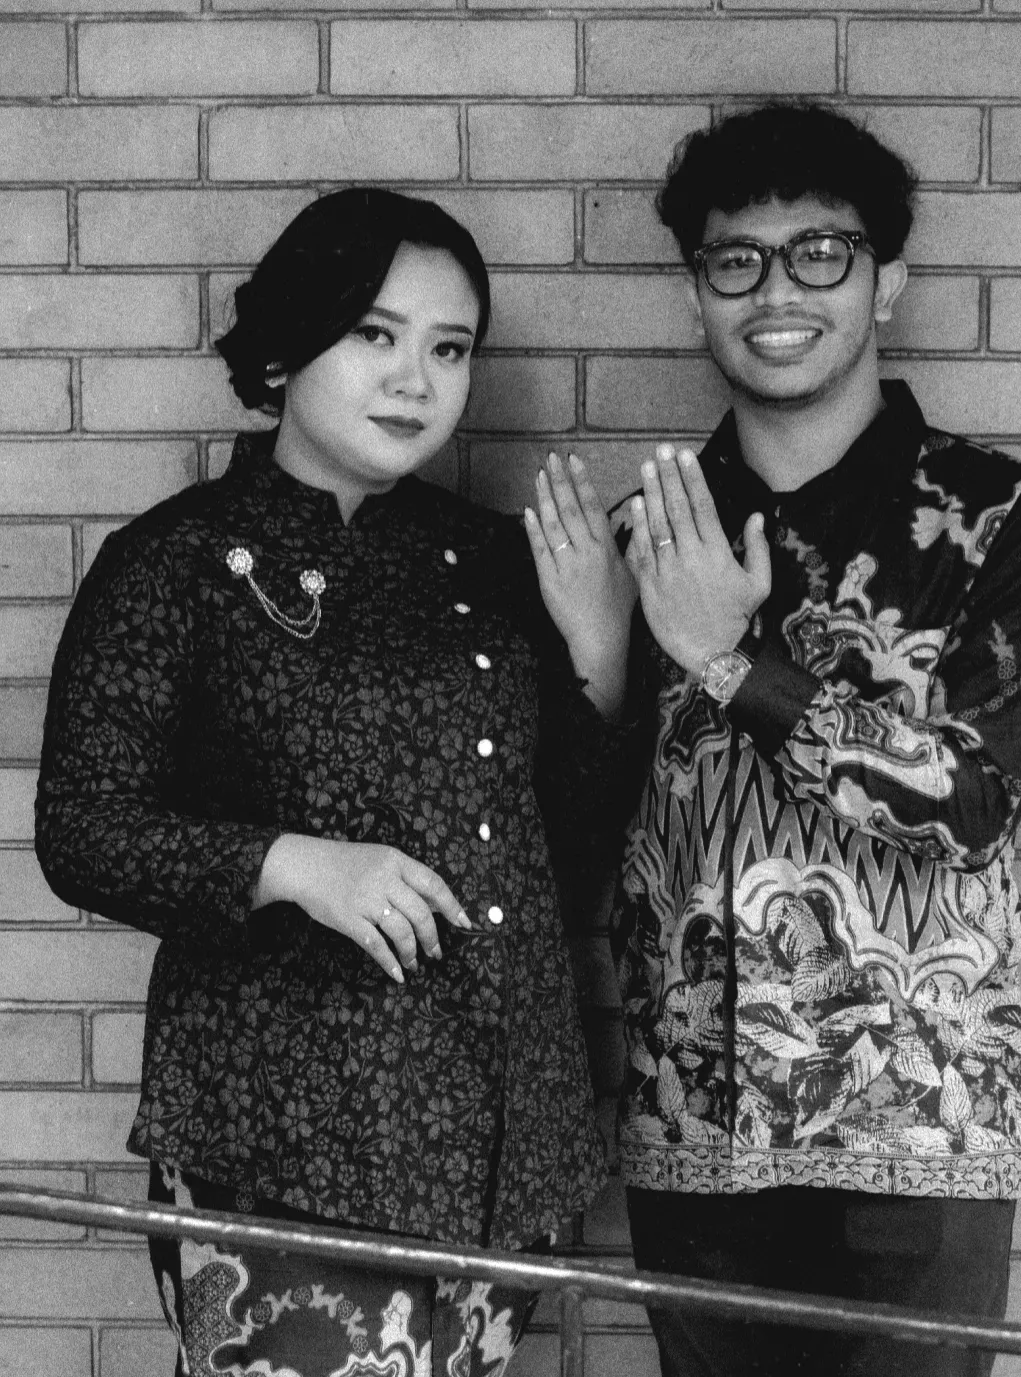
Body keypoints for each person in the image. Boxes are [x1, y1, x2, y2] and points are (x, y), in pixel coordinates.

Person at [35, 187, 646, 1377]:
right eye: (375, 334)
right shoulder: (176, 563)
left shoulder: (493, 561)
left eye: (449, 349)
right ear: (283, 351)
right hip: (286, 1140)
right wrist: (294, 865)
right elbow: (84, 829)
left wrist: (602, 646)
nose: (415, 379)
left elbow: (568, 840)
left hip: (501, 1138)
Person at [608, 102, 1021, 1376]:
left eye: (821, 252)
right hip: (691, 1128)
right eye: (736, 260)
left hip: (918, 1127)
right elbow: (592, 826)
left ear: (887, 282)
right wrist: (598, 665)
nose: (778, 291)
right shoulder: (646, 537)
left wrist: (729, 659)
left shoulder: (999, 516)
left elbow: (971, 803)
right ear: (696, 294)